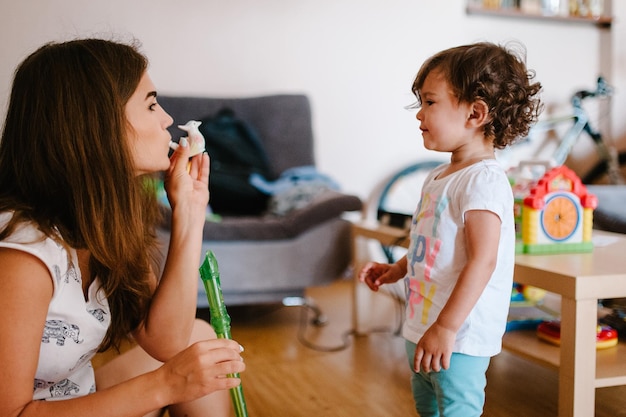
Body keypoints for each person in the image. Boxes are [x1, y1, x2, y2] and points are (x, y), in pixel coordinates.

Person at [0, 38, 245, 417]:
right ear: (96, 124)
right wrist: (166, 384)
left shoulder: (103, 224)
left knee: (199, 337)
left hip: (77, 401)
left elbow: (166, 341)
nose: (166, 119)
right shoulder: (22, 256)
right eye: (151, 104)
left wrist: (191, 213)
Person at [359, 41, 542, 417]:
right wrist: (398, 269)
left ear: (475, 113)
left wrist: (446, 326)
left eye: (430, 102)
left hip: (458, 335)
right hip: (424, 324)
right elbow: (434, 243)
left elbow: (483, 261)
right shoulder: (439, 176)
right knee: (428, 406)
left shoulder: (484, 182)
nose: (419, 115)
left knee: (458, 407)